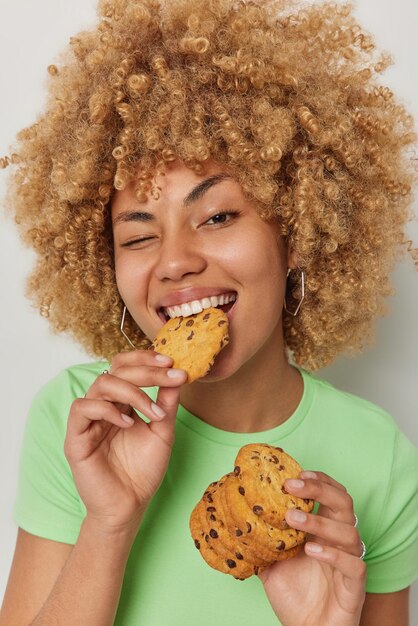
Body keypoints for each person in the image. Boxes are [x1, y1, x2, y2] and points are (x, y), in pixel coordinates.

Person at [0, 0, 417, 624]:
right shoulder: (83, 420)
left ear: (297, 230)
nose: (174, 262)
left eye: (217, 216)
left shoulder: (378, 454)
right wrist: (109, 524)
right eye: (138, 235)